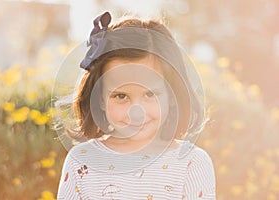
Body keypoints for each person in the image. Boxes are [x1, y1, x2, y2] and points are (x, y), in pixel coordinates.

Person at [55, 11, 215, 199]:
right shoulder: (81, 161)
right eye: (121, 96)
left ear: (172, 96)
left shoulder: (192, 163)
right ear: (99, 98)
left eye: (149, 94)